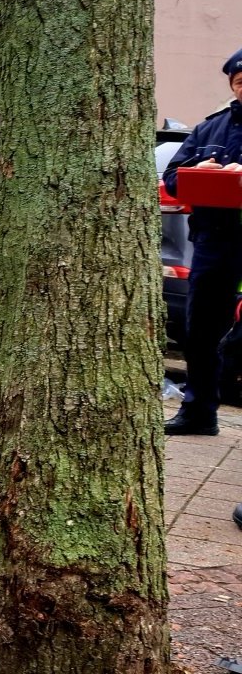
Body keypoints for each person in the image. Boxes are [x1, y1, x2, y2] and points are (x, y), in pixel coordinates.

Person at [162, 47, 242, 436]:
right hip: (213, 242)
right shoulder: (211, 128)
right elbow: (175, 177)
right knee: (201, 331)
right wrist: (199, 170)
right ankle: (198, 412)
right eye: (240, 82)